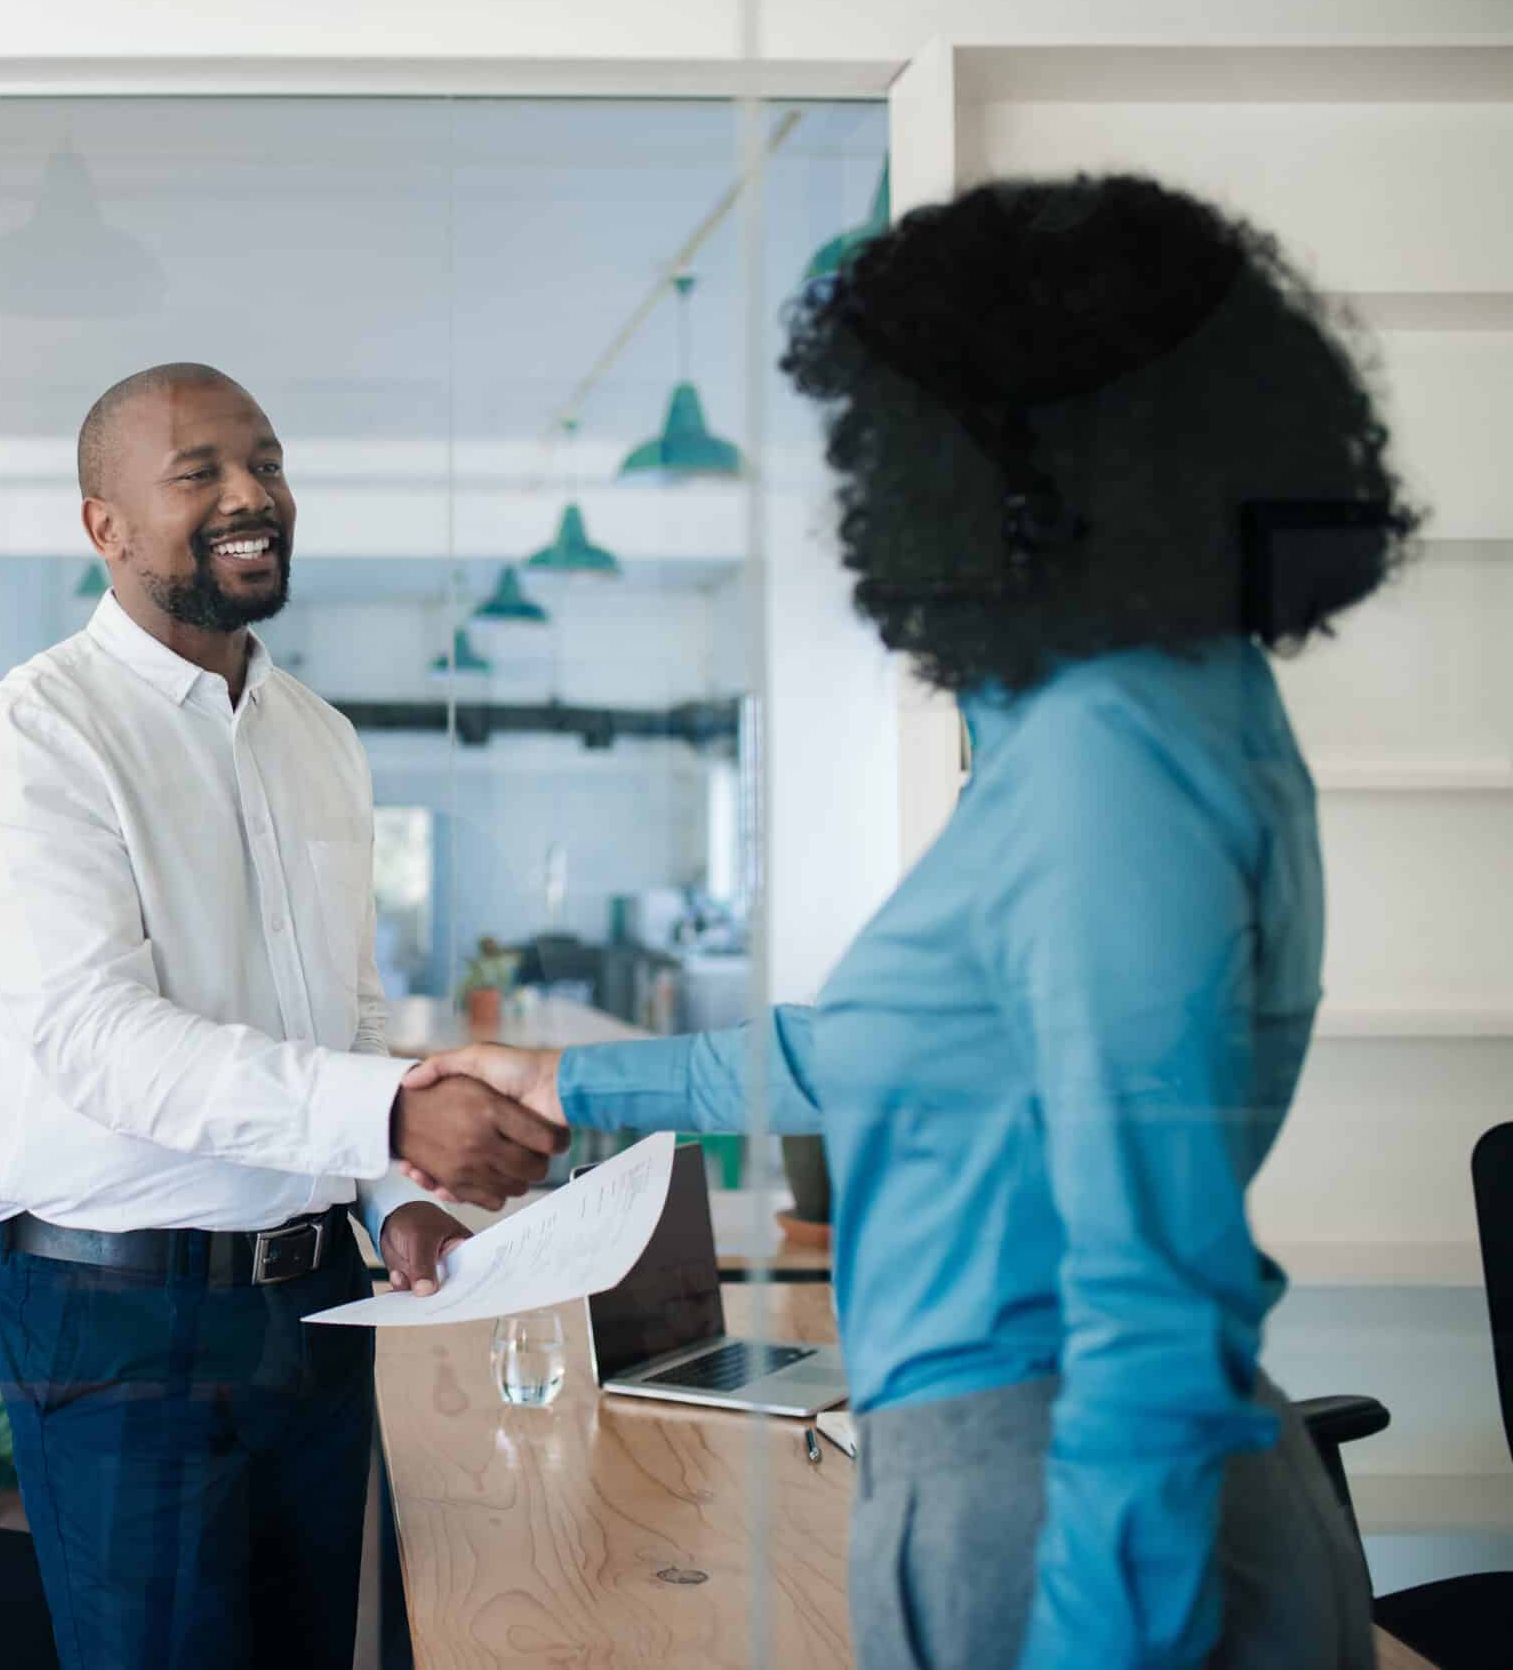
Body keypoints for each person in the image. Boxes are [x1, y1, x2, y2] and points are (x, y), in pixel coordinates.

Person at [409, 176, 1415, 1670]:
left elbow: (1150, 1296)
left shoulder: (1112, 755)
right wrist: (573, 1083)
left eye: (894, 434)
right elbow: (905, 1048)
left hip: (1066, 1501)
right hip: (1017, 1471)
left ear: (1023, 453)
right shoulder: (1124, 710)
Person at [0, 361, 567, 1669]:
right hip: (114, 1317)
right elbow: (98, 1040)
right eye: (200, 472)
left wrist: (383, 1185)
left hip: (313, 1310)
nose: (252, 496)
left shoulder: (318, 738)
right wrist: (392, 1109)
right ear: (103, 525)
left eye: (267, 464)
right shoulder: (33, 738)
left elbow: (338, 1008)